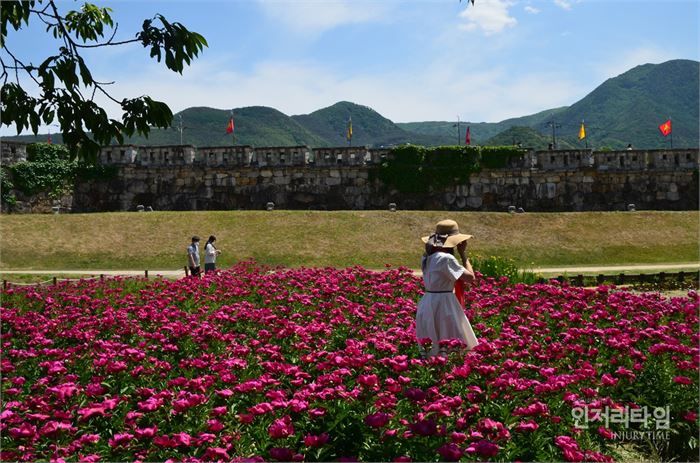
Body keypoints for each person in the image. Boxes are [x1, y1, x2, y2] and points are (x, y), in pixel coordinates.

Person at [416, 219, 479, 358]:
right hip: (444, 303)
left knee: (432, 338)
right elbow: (470, 277)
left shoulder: (427, 257)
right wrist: (463, 254)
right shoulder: (446, 258)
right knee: (450, 336)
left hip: (428, 301)